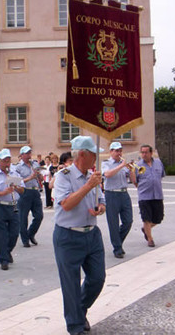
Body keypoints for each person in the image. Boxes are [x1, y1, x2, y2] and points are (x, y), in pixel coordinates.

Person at [52, 136, 106, 335]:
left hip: (92, 234)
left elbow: (101, 199)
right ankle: (75, 327)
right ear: (82, 154)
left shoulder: (93, 175)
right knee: (71, 285)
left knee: (97, 278)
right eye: (94, 154)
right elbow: (66, 204)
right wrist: (88, 186)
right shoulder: (63, 176)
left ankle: (80, 310)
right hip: (68, 236)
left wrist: (101, 207)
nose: (96, 158)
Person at [0, 148, 25, 270]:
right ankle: (3, 259)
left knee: (14, 232)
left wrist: (17, 188)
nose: (7, 164)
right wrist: (3, 192)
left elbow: (22, 190)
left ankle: (7, 251)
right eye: (4, 161)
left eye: (8, 161)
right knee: (0, 235)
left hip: (13, 205)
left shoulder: (15, 174)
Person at [101, 142, 135, 258]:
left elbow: (133, 180)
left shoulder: (123, 164)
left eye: (120, 150)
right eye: (116, 151)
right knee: (113, 223)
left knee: (128, 221)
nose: (119, 153)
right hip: (111, 194)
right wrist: (121, 166)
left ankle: (118, 243)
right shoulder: (106, 163)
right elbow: (107, 174)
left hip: (124, 193)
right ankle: (117, 248)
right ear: (111, 152)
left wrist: (131, 169)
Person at [135, 144, 165, 248]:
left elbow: (161, 176)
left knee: (158, 218)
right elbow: (135, 181)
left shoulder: (158, 163)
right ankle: (150, 239)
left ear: (151, 153)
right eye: (142, 152)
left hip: (157, 194)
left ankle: (145, 229)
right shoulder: (138, 165)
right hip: (144, 196)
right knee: (146, 218)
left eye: (146, 152)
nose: (144, 154)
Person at [16, 146, 44, 247]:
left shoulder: (35, 164)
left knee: (39, 216)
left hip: (35, 191)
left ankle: (30, 234)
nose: (29, 155)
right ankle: (25, 239)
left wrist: (39, 176)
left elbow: (40, 178)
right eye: (27, 153)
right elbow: (17, 182)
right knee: (23, 217)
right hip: (24, 192)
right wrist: (30, 177)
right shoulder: (18, 167)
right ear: (22, 155)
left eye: (29, 153)